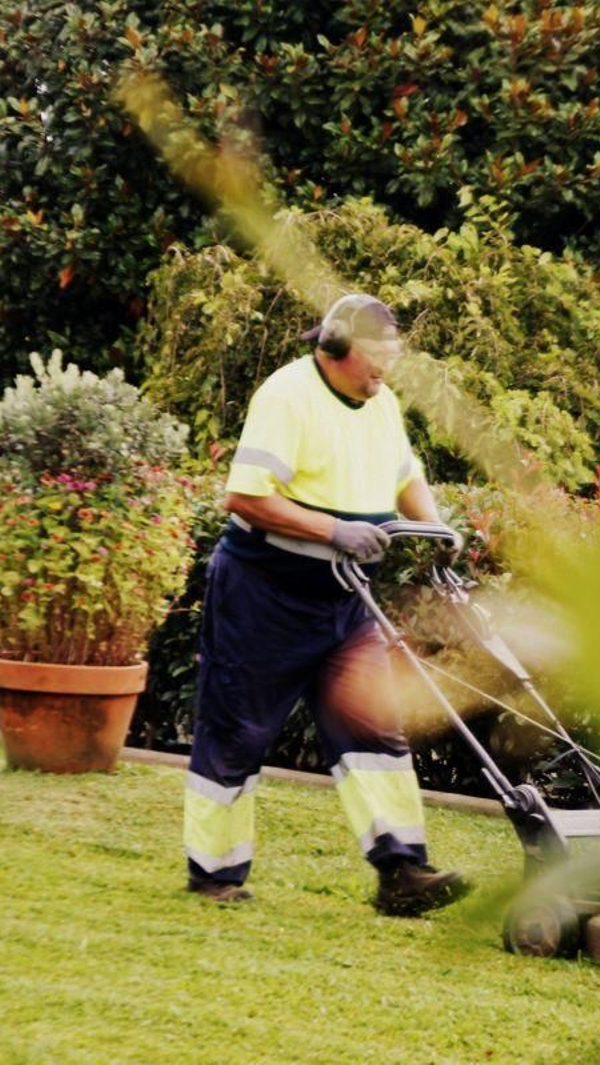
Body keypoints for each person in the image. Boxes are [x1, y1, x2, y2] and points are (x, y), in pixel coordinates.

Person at [182, 293, 472, 916]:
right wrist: (331, 529)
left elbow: (405, 474)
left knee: (373, 727)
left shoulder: (381, 402)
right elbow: (245, 497)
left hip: (345, 598)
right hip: (265, 593)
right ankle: (215, 874)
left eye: (391, 361)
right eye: (375, 361)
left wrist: (437, 526)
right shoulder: (287, 396)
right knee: (237, 730)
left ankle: (403, 874)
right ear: (336, 350)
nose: (384, 373)